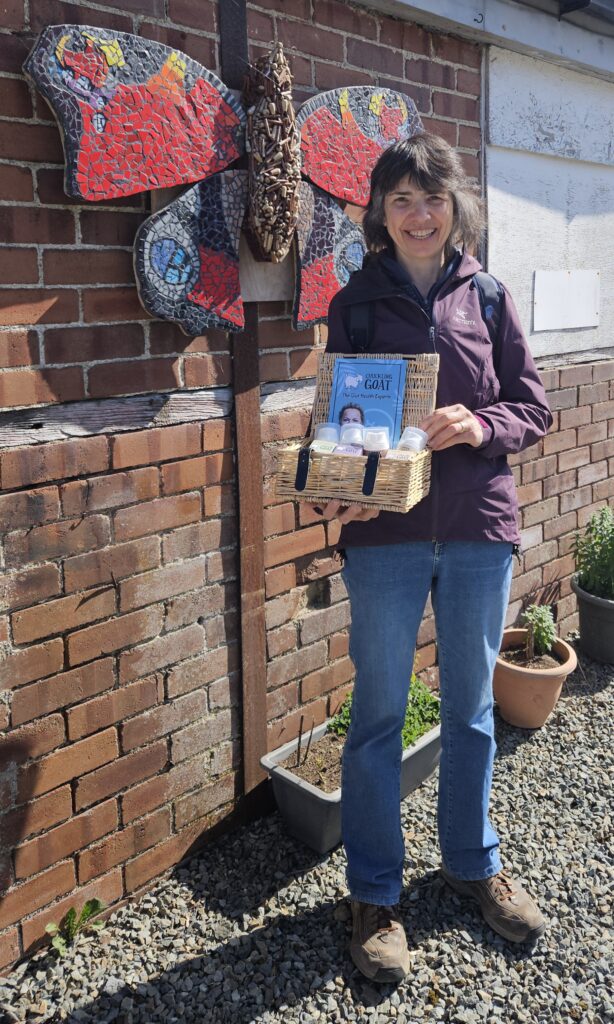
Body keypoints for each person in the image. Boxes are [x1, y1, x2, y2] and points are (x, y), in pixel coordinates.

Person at [314, 133, 553, 984]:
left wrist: (482, 424)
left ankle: (471, 862)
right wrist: (334, 480)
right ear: (381, 211)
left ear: (457, 208)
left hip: (481, 527)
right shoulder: (356, 301)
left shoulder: (486, 296)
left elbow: (534, 405)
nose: (420, 215)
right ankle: (375, 894)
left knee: (471, 712)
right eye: (403, 200)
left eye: (435, 198)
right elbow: (336, 418)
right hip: (385, 537)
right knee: (379, 714)